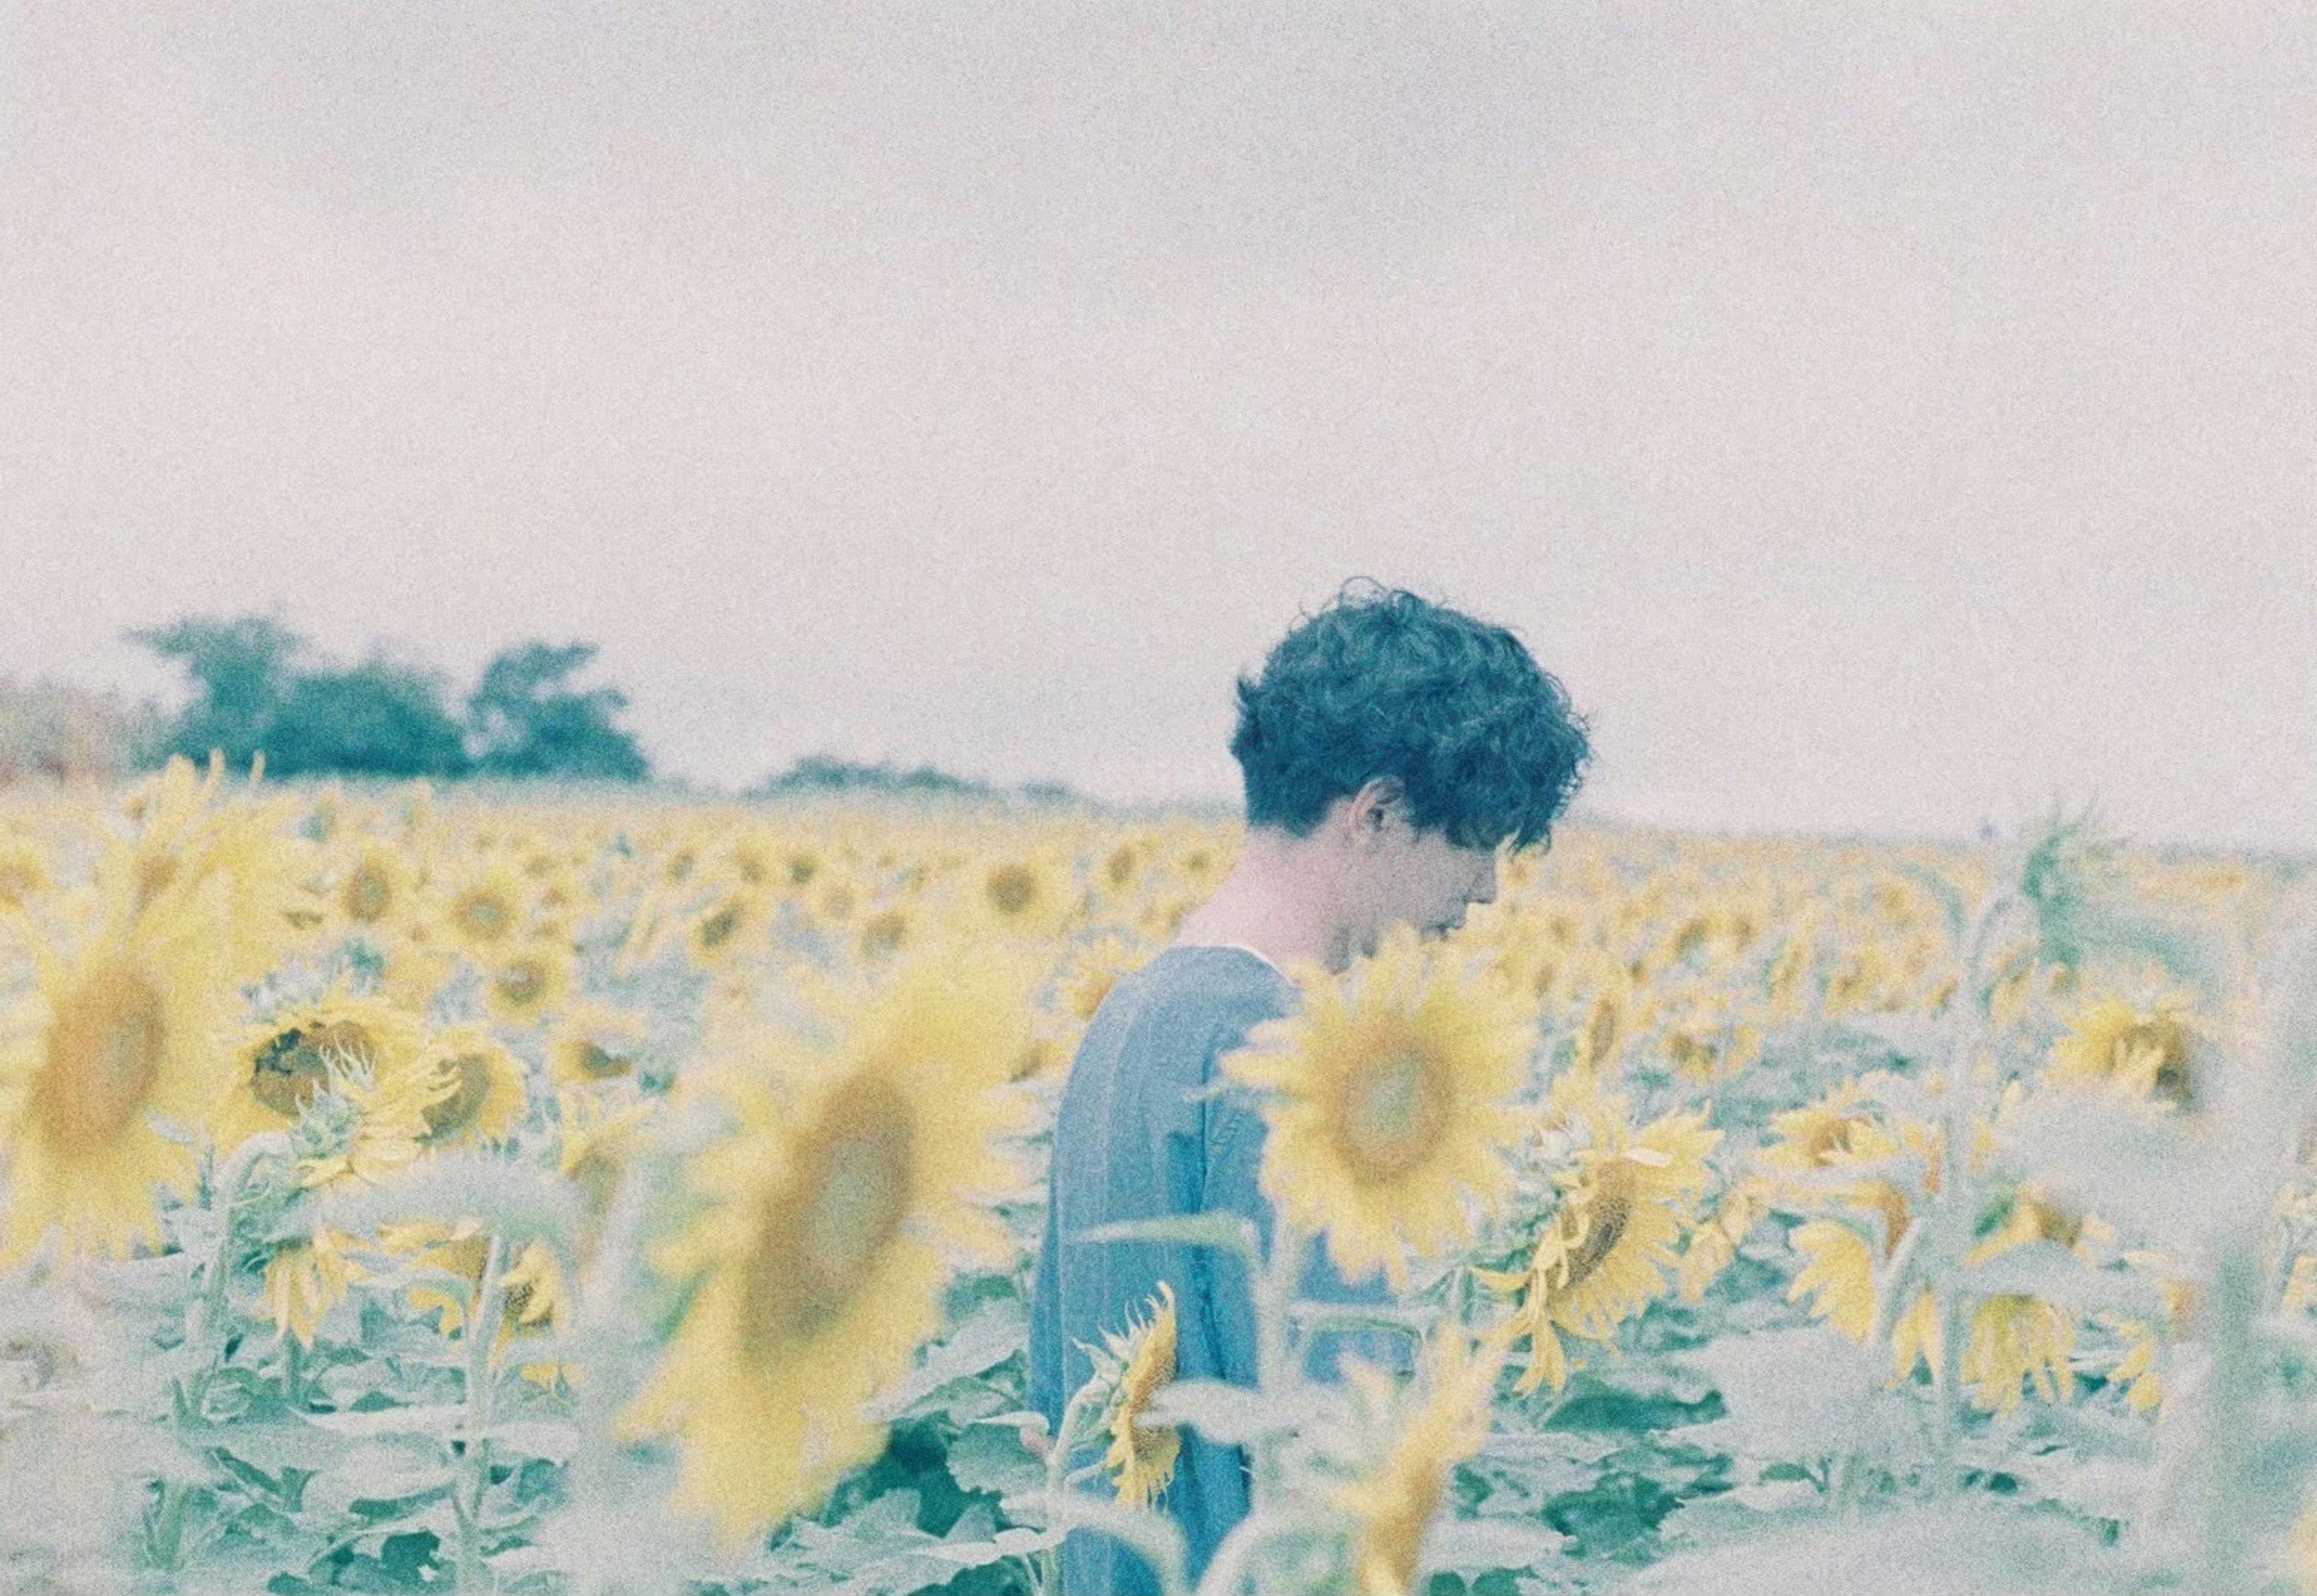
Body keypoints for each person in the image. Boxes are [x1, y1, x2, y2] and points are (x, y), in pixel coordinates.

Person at [1023, 579, 1592, 1593]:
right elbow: (1339, 1459)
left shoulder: (1130, 1016)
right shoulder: (1290, 1065)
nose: (1489, 887)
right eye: (1477, 839)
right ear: (1376, 813)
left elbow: (1059, 1399)